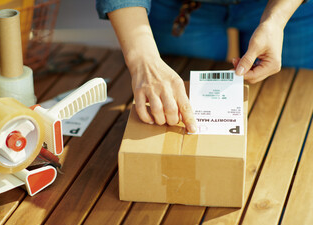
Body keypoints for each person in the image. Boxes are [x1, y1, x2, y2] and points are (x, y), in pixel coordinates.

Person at [96, 0, 313, 132]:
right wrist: (143, 60)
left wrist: (276, 20)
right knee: (170, 108)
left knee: (293, 115)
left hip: (287, 7)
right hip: (181, 7)